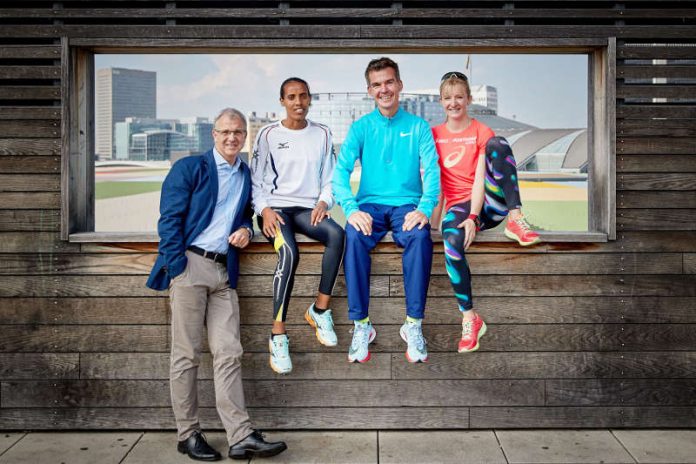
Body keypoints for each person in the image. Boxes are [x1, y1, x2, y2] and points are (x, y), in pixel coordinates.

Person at [146, 108, 287, 461]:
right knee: (186, 355)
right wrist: (178, 268)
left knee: (229, 352)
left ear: (245, 136)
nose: (232, 138)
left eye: (238, 132)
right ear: (213, 133)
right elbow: (169, 221)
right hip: (190, 267)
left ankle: (239, 436)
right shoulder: (189, 168)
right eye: (225, 132)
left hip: (224, 274)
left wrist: (245, 229)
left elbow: (243, 214)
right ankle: (188, 434)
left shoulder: (244, 173)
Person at [333, 57, 441, 364]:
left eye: (389, 82)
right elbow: (340, 173)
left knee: (420, 236)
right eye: (377, 84)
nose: (384, 89)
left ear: (400, 85)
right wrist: (351, 208)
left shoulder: (419, 127)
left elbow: (432, 171)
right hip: (369, 205)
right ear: (369, 90)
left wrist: (424, 207)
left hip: (407, 206)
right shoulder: (360, 128)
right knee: (352, 235)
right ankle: (361, 326)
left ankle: (414, 324)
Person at [430, 71, 541, 354]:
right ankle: (470, 318)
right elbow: (438, 184)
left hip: (488, 204)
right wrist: (434, 223)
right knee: (450, 241)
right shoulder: (435, 136)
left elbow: (480, 178)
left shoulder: (481, 132)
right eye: (447, 98)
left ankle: (516, 219)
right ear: (440, 101)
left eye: (459, 97)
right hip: (457, 206)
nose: (453, 103)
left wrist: (473, 217)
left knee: (499, 144)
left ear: (468, 99)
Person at [251, 77, 345, 375]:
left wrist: (323, 203)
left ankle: (319, 310)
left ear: (309, 99)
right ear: (282, 101)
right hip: (274, 209)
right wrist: (263, 209)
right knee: (289, 253)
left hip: (307, 209)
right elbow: (254, 180)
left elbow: (330, 178)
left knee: (337, 234)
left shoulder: (323, 133)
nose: (298, 102)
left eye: (303, 96)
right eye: (291, 97)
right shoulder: (267, 134)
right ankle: (278, 334)